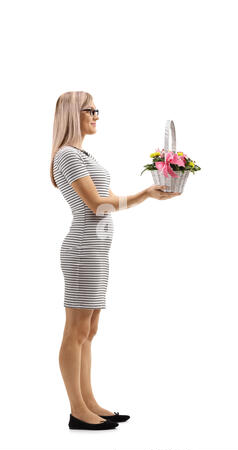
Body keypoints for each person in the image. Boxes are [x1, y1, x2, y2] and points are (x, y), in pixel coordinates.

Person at [50, 91, 181, 430]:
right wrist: (145, 195)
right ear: (70, 114)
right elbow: (97, 205)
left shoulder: (82, 153)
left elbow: (102, 199)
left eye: (97, 109)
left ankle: (89, 401)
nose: (96, 115)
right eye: (89, 110)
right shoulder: (67, 155)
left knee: (89, 330)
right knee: (76, 331)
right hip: (83, 251)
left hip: (96, 252)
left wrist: (143, 196)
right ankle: (78, 411)